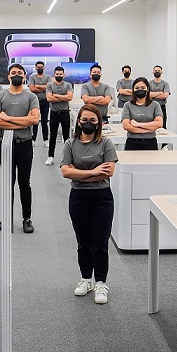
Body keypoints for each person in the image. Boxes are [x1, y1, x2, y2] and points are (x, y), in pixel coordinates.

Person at [61, 104, 118, 304]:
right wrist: (94, 172)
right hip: (79, 198)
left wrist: (79, 173)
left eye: (93, 120)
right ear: (78, 122)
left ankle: (101, 282)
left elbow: (109, 172)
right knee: (83, 242)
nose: (88, 123)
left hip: (102, 198)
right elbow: (66, 172)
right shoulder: (70, 144)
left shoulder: (106, 143)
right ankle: (86, 279)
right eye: (84, 120)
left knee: (100, 242)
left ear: (99, 123)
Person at [0, 63, 40, 233]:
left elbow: (34, 120)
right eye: (13, 72)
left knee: (24, 182)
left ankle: (27, 218)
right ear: (8, 76)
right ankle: (7, 217)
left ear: (25, 76)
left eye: (20, 72)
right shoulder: (0, 96)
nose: (16, 75)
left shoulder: (31, 97)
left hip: (24, 144)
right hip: (4, 143)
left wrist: (7, 118)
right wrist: (22, 121)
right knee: (8, 182)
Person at [122, 77, 163, 150]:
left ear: (148, 89)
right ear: (133, 90)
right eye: (137, 88)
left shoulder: (155, 105)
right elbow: (126, 126)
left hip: (150, 142)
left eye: (143, 88)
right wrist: (148, 130)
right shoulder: (127, 105)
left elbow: (159, 123)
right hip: (132, 142)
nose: (140, 90)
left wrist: (138, 124)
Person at [45, 65, 73, 165]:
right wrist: (63, 97)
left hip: (65, 113)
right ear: (54, 75)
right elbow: (49, 98)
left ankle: (67, 157)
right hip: (54, 113)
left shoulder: (68, 85)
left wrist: (55, 95)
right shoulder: (50, 85)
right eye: (57, 74)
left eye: (61, 74)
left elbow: (69, 97)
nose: (59, 75)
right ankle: (50, 156)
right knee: (53, 135)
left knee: (66, 136)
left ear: (64, 75)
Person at [28, 60, 52, 146]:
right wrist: (44, 88)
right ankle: (33, 139)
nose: (40, 69)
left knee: (44, 122)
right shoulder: (32, 77)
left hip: (45, 101)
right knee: (35, 121)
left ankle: (46, 139)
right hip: (35, 102)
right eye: (38, 67)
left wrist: (37, 86)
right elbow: (32, 89)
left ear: (44, 68)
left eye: (41, 67)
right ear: (35, 68)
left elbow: (49, 87)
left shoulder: (48, 77)